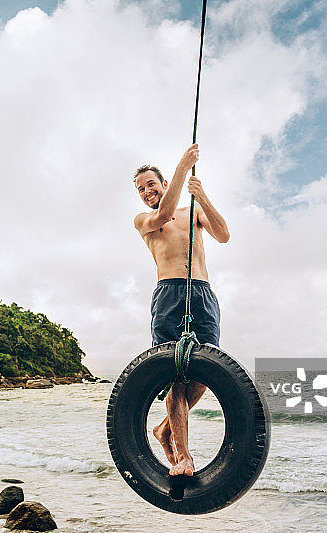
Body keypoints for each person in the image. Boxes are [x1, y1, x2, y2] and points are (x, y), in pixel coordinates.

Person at [133, 143, 229, 477]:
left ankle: (164, 429)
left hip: (202, 292)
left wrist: (202, 196)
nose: (147, 191)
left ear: (162, 184)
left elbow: (224, 235)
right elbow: (163, 215)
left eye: (150, 184)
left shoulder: (192, 212)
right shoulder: (144, 220)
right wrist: (182, 166)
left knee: (205, 371)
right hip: (169, 293)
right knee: (175, 373)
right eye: (141, 189)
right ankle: (184, 457)